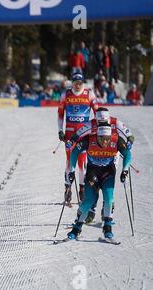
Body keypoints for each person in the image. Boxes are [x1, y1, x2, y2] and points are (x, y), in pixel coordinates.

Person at [66, 107, 135, 223]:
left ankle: (106, 208)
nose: (102, 123)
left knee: (107, 182)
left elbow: (129, 134)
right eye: (100, 122)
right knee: (94, 183)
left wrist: (129, 142)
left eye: (105, 121)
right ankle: (91, 210)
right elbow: (78, 134)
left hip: (112, 153)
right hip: (95, 151)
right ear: (96, 119)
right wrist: (71, 141)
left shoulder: (115, 122)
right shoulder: (91, 124)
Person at [58, 73, 98, 205]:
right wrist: (60, 130)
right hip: (69, 134)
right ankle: (68, 188)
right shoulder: (66, 94)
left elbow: (97, 113)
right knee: (69, 161)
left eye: (80, 82)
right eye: (75, 82)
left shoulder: (89, 94)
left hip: (84, 134)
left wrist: (98, 128)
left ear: (83, 83)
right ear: (72, 82)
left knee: (82, 163)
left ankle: (82, 189)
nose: (77, 85)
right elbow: (60, 114)